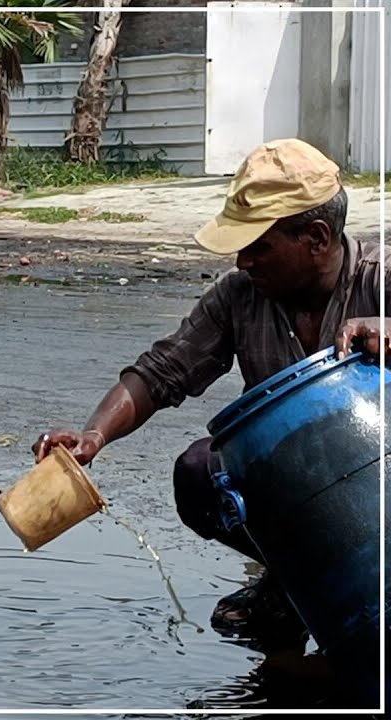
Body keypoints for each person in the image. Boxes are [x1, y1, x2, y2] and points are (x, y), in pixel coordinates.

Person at [32, 138, 388, 647]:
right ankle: (294, 582)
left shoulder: (382, 279)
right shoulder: (239, 295)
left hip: (379, 487)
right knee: (201, 474)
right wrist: (92, 439)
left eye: (258, 246)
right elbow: (162, 371)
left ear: (316, 237)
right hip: (299, 485)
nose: (242, 261)